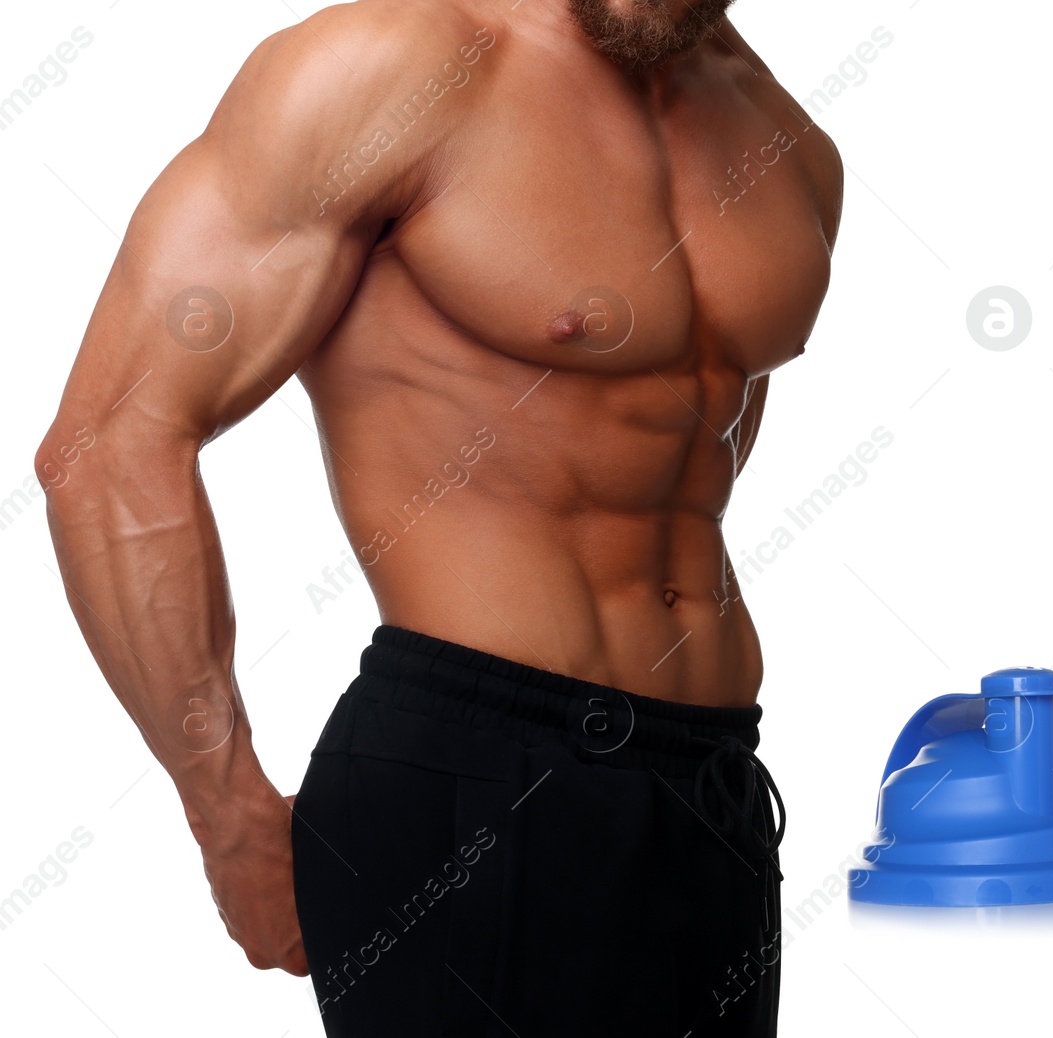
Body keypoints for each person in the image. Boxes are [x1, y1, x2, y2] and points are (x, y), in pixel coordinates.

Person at [34, 0, 842, 1033]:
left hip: (711, 784)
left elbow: (687, 446)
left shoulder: (784, 137)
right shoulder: (390, 69)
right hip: (468, 776)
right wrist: (229, 816)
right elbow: (108, 446)